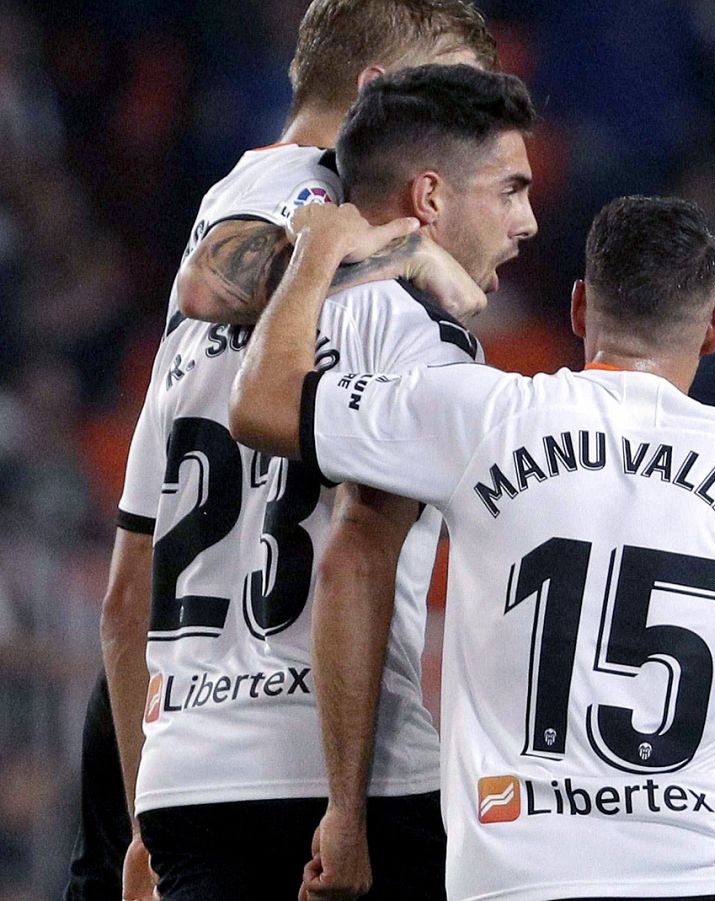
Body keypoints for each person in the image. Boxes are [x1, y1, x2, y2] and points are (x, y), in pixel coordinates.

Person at [230, 194, 715, 901]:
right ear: (714, 328)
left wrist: (314, 255)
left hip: (524, 880)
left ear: (580, 308)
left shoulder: (483, 415)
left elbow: (261, 405)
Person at [94, 4, 499, 900]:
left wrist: (145, 816)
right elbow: (215, 276)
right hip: (336, 760)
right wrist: (411, 253)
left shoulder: (186, 347)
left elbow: (127, 601)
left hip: (195, 775)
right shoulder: (304, 196)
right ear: (377, 95)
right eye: (454, 99)